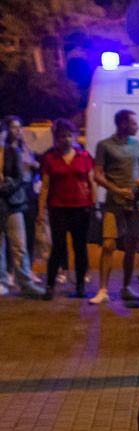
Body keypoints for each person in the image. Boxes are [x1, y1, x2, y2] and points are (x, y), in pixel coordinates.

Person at [93, 109, 139, 305]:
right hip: (113, 203)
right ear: (123, 124)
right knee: (108, 244)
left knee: (131, 247)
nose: (137, 127)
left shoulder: (138, 147)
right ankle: (103, 290)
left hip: (134, 203)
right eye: (134, 123)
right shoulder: (104, 146)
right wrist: (117, 190)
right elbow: (98, 175)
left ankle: (126, 287)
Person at [38, 119, 95, 300]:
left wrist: (93, 205)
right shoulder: (50, 159)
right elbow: (45, 186)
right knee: (58, 247)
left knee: (80, 248)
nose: (66, 139)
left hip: (81, 209)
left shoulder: (84, 157)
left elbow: (91, 182)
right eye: (62, 136)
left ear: (75, 136)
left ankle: (80, 286)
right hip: (58, 208)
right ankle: (50, 286)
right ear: (56, 138)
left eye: (70, 135)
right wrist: (41, 210)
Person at [0, 116, 45, 297]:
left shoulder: (14, 151)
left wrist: (4, 186)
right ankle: (2, 280)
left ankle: (25, 282)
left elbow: (20, 177)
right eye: (13, 128)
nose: (17, 131)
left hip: (13, 202)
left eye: (19, 128)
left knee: (19, 244)